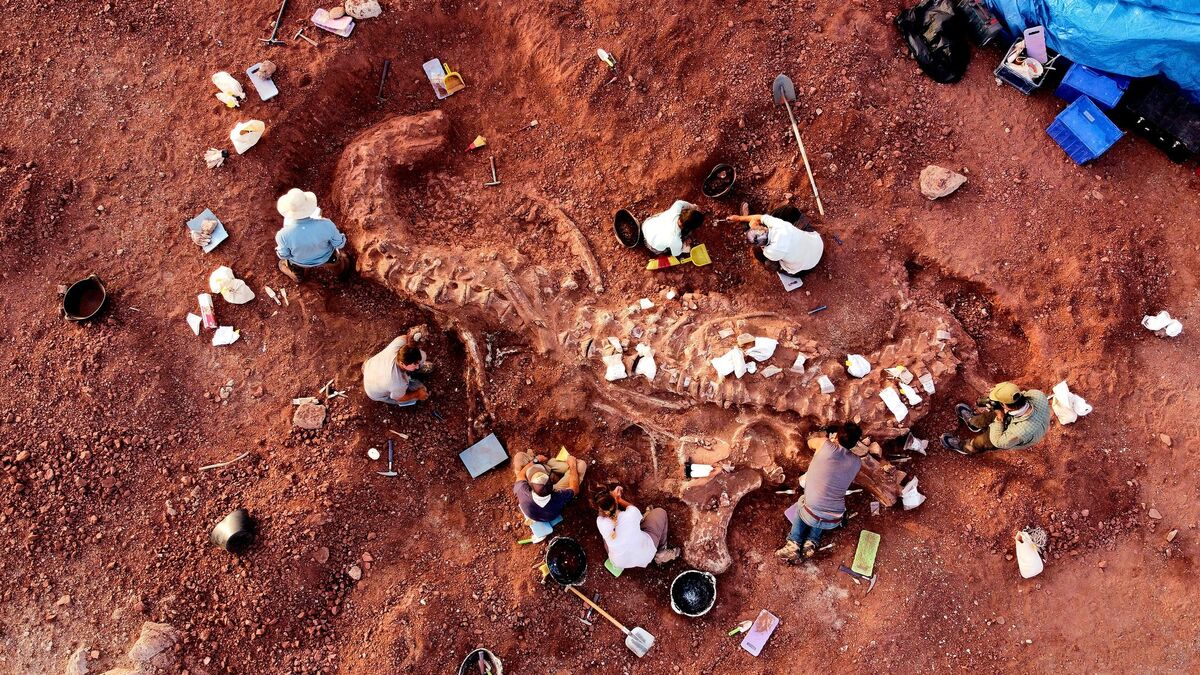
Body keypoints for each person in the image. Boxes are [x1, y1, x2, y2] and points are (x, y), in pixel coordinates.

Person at [776, 422, 866, 563]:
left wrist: (828, 441)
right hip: (835, 518)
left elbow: (810, 442)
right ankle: (812, 541)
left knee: (802, 501)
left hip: (811, 514)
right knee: (824, 505)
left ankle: (793, 543)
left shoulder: (825, 445)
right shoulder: (856, 462)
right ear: (855, 444)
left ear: (836, 436)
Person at [941, 381, 1051, 455]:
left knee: (983, 441)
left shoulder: (1017, 434)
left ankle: (968, 447)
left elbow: (998, 442)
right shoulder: (1037, 395)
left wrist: (999, 416)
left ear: (1005, 406)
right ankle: (973, 422)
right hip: (1018, 414)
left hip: (1011, 435)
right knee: (987, 417)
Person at [592, 485, 678, 569]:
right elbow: (631, 508)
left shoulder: (600, 522)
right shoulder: (631, 514)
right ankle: (661, 552)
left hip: (619, 562)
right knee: (660, 512)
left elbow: (609, 519)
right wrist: (618, 498)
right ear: (614, 501)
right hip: (645, 555)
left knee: (607, 537)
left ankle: (621, 556)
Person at [274, 188, 350, 282]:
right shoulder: (326, 224)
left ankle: (298, 276)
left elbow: (284, 255)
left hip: (300, 262)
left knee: (285, 263)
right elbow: (339, 244)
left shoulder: (282, 235)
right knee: (341, 262)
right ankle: (341, 271)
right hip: (327, 258)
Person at [727, 206, 823, 278]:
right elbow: (760, 218)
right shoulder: (779, 225)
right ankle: (748, 227)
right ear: (764, 228)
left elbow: (763, 247)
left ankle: (746, 228)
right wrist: (739, 218)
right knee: (788, 211)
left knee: (765, 260)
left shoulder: (771, 252)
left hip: (804, 269)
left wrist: (747, 223)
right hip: (817, 244)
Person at [511, 449, 586, 526]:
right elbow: (575, 489)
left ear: (530, 485)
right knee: (581, 465)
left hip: (537, 515)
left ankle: (544, 464)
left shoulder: (523, 491)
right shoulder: (559, 496)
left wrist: (535, 461)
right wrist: (572, 465)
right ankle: (547, 465)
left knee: (519, 458)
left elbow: (520, 476)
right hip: (551, 514)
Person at [362, 329, 429, 407]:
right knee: (422, 389)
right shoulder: (399, 383)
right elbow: (400, 398)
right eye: (414, 365)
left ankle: (367, 369)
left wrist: (412, 341)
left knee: (422, 355)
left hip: (370, 367)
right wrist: (417, 394)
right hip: (374, 392)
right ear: (402, 363)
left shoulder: (399, 343)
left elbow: (405, 338)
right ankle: (407, 401)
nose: (417, 367)